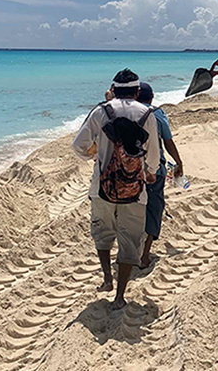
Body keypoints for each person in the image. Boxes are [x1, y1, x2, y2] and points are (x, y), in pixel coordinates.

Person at [72, 68, 160, 310]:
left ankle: (106, 279)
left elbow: (78, 146)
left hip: (102, 186)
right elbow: (153, 154)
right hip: (135, 189)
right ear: (138, 91)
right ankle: (120, 295)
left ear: (113, 90)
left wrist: (95, 155)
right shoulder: (147, 114)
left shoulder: (101, 111)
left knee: (102, 232)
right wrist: (150, 172)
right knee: (130, 239)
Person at [135, 81, 184, 269]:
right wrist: (179, 162)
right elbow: (168, 141)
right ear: (152, 97)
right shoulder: (156, 114)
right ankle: (145, 256)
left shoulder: (127, 113)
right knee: (153, 210)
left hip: (129, 170)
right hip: (154, 170)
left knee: (131, 211)